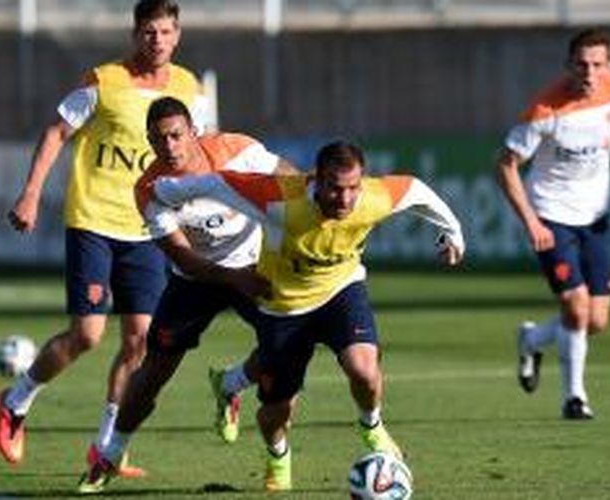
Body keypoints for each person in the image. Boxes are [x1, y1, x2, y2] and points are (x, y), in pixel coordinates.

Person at [135, 139, 465, 491]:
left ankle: (371, 426)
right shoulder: (278, 198)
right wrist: (167, 189)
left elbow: (416, 190)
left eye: (353, 188)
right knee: (277, 411)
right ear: (316, 180)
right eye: (335, 189)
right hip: (284, 308)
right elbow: (218, 182)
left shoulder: (373, 198)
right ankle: (277, 453)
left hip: (341, 291)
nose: (346, 199)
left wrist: (453, 231)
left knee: (364, 370)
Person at [0, 0, 211, 476]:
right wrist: (31, 194)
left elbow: (196, 151)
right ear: (136, 34)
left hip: (147, 226)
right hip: (93, 219)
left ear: (177, 36)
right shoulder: (104, 80)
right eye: (149, 32)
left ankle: (108, 446)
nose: (157, 40)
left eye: (166, 32)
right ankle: (15, 401)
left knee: (139, 341)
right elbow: (56, 133)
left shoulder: (189, 88)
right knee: (88, 335)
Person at [76, 96, 299, 493]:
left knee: (286, 355)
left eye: (177, 135)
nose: (170, 147)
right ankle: (109, 456)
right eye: (159, 140)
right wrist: (234, 278)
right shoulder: (150, 188)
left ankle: (268, 442)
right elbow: (183, 255)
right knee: (153, 372)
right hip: (194, 280)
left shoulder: (237, 150)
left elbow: (292, 181)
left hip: (255, 265)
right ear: (148, 140)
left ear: (194, 131)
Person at [496, 28, 610, 420]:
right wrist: (532, 221)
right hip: (552, 215)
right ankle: (574, 397)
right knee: (576, 306)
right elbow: (505, 165)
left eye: (597, 64)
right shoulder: (546, 109)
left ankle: (532, 339)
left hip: (596, 217)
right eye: (581, 63)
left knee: (596, 320)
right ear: (569, 65)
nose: (589, 71)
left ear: (609, 66)